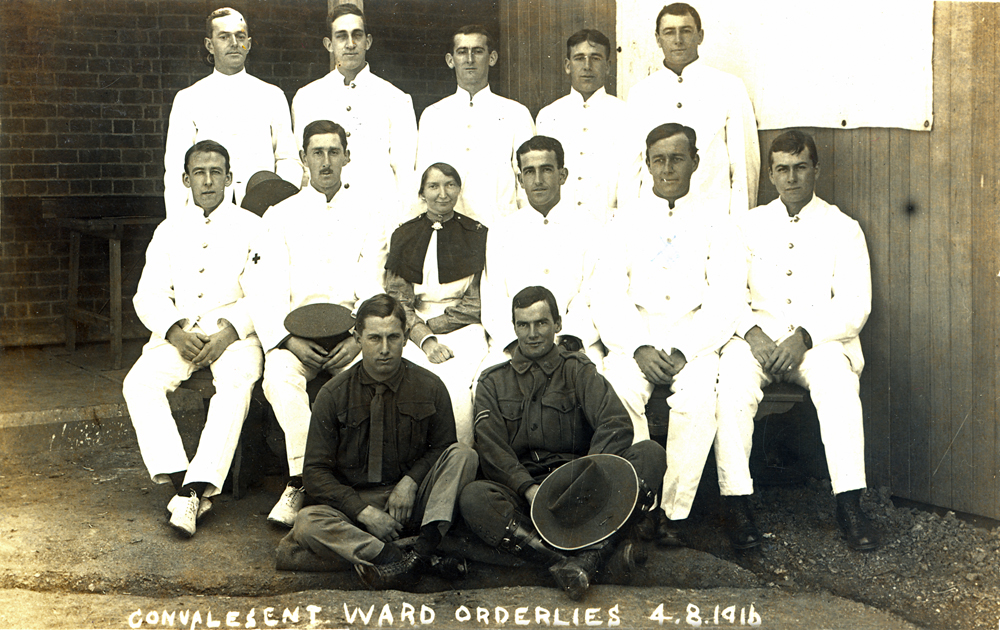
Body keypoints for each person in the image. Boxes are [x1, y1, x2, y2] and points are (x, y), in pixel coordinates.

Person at [715, 130, 880, 551]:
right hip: (754, 340)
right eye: (783, 169)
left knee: (839, 385)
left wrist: (804, 336)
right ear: (771, 174)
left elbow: (855, 303)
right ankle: (737, 503)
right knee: (730, 386)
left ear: (815, 170)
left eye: (800, 168)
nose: (791, 178)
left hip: (817, 343)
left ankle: (849, 503)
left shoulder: (843, 228)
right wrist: (753, 335)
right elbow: (725, 294)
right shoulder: (745, 225)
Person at [591, 123, 744, 544]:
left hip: (695, 338)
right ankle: (639, 503)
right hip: (635, 335)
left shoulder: (718, 222)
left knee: (698, 400)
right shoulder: (625, 221)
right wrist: (637, 345)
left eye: (677, 158)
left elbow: (727, 298)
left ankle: (672, 513)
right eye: (658, 160)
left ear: (695, 161)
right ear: (647, 164)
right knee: (618, 392)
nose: (668, 168)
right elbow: (606, 292)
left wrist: (685, 349)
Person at [460, 286, 665, 600]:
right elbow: (491, 447)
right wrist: (527, 488)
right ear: (513, 327)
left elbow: (614, 423)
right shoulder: (492, 381)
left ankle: (583, 558)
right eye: (523, 325)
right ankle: (575, 561)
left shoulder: (578, 370)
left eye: (541, 323)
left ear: (557, 324)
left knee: (650, 453)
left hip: (583, 485)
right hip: (528, 494)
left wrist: (587, 475)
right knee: (474, 497)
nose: (532, 334)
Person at [247, 120, 387, 528]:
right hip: (296, 339)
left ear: (347, 157)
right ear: (303, 158)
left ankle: (362, 484)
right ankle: (302, 479)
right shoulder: (280, 215)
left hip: (350, 336)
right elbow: (263, 285)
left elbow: (373, 283)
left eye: (333, 152)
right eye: (317, 152)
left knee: (376, 383)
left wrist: (359, 339)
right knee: (279, 380)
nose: (326, 162)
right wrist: (288, 340)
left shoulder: (369, 213)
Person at [290, 294, 478, 589]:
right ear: (358, 339)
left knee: (464, 454)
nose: (385, 349)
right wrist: (363, 512)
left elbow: (444, 448)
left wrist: (411, 482)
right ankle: (406, 558)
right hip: (357, 507)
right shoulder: (333, 394)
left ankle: (418, 547)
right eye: (375, 338)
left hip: (414, 504)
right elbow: (314, 473)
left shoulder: (430, 386)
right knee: (307, 523)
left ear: (405, 338)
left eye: (393, 337)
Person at [123, 140, 262, 537]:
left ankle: (197, 486)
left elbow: (265, 293)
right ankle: (182, 484)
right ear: (186, 179)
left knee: (234, 386)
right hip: (181, 333)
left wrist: (229, 332)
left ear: (229, 178)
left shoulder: (253, 226)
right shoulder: (169, 230)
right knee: (139, 383)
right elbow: (148, 294)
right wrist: (174, 331)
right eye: (199, 173)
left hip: (234, 336)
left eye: (216, 172)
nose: (208, 181)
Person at [385, 163, 489, 445]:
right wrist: (424, 336)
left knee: (457, 388)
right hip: (412, 329)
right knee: (406, 385)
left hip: (465, 328)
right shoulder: (404, 234)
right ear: (422, 193)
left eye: (450, 185)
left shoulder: (478, 234)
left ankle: (460, 456)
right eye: (433, 186)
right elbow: (398, 300)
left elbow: (475, 302)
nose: (443, 194)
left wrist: (435, 325)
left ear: (459, 189)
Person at [622, 3, 759, 216]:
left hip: (712, 217)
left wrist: (738, 225)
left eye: (686, 31)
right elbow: (630, 169)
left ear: (700, 36)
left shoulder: (729, 87)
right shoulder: (640, 93)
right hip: (655, 218)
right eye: (669, 32)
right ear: (658, 39)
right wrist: (630, 221)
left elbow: (744, 169)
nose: (678, 40)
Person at [480, 136, 603, 370]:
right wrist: (518, 347)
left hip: (573, 345)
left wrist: (567, 342)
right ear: (520, 180)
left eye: (546, 170)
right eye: (529, 172)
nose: (537, 180)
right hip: (514, 347)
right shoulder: (500, 232)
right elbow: (493, 299)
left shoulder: (590, 229)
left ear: (562, 175)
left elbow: (594, 294)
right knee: (486, 385)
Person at [163, 7, 300, 213]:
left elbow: (288, 158)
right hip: (207, 212)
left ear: (249, 44)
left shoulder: (272, 95)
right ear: (210, 45)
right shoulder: (188, 99)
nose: (234, 43)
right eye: (224, 37)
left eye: (240, 36)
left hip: (263, 209)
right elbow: (176, 167)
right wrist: (179, 220)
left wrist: (279, 203)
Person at [291, 4, 417, 222]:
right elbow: (303, 166)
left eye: (357, 35)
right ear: (329, 44)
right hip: (323, 216)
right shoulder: (307, 97)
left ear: (368, 41)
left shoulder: (396, 98)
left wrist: (403, 222)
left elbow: (405, 172)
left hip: (379, 216)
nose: (350, 44)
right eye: (341, 36)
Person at [416, 25, 534, 226]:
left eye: (478, 51)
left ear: (492, 58)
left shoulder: (516, 113)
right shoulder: (433, 115)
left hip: (500, 227)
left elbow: (526, 181)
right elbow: (423, 179)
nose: (469, 59)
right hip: (449, 228)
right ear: (450, 60)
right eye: (462, 52)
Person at [535, 29, 626, 224]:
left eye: (595, 58)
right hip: (560, 225)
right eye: (579, 58)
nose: (587, 66)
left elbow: (631, 182)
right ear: (568, 66)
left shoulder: (625, 114)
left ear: (608, 66)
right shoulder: (548, 116)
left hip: (609, 224)